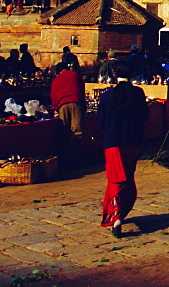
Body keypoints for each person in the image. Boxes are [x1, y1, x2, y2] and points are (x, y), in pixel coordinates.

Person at [97, 63, 149, 237]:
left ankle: (116, 215)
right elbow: (145, 117)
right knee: (127, 176)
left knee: (116, 179)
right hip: (133, 141)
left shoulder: (106, 96)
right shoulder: (138, 93)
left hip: (113, 142)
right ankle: (122, 211)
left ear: (113, 74)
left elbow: (101, 122)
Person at [50, 60, 85, 137]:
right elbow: (82, 90)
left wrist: (56, 108)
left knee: (65, 130)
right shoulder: (76, 75)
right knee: (77, 130)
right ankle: (76, 147)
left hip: (62, 105)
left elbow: (53, 96)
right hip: (76, 102)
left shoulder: (56, 80)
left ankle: (65, 147)